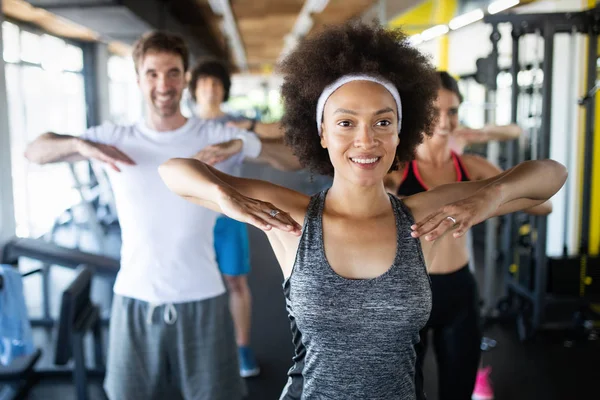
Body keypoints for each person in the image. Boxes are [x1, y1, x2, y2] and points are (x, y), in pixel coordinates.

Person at [158, 22, 567, 400]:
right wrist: (224, 193)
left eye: (383, 122)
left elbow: (551, 175)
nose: (366, 140)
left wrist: (488, 197)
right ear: (321, 131)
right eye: (346, 123)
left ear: (400, 131)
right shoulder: (291, 216)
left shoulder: (424, 215)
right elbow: (173, 171)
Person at [24, 31, 299, 400]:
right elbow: (34, 152)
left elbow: (295, 158)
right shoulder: (113, 137)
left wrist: (244, 141)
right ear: (138, 79)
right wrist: (78, 144)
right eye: (152, 73)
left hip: (203, 297)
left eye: (172, 72)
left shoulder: (213, 135)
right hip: (133, 297)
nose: (163, 84)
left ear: (186, 77)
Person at [385, 72, 552, 400]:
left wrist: (489, 200)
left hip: (460, 292)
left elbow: (542, 205)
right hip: (409, 293)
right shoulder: (397, 172)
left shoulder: (471, 167)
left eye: (452, 112)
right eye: (435, 112)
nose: (445, 122)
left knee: (458, 392)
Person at [187, 58, 273, 377]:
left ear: (224, 90)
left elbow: (272, 135)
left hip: (229, 215)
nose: (210, 88)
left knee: (236, 281)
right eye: (204, 82)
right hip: (193, 218)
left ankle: (242, 348)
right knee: (196, 286)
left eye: (216, 83)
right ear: (194, 89)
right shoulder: (184, 126)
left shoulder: (235, 125)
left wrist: (246, 132)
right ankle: (202, 349)